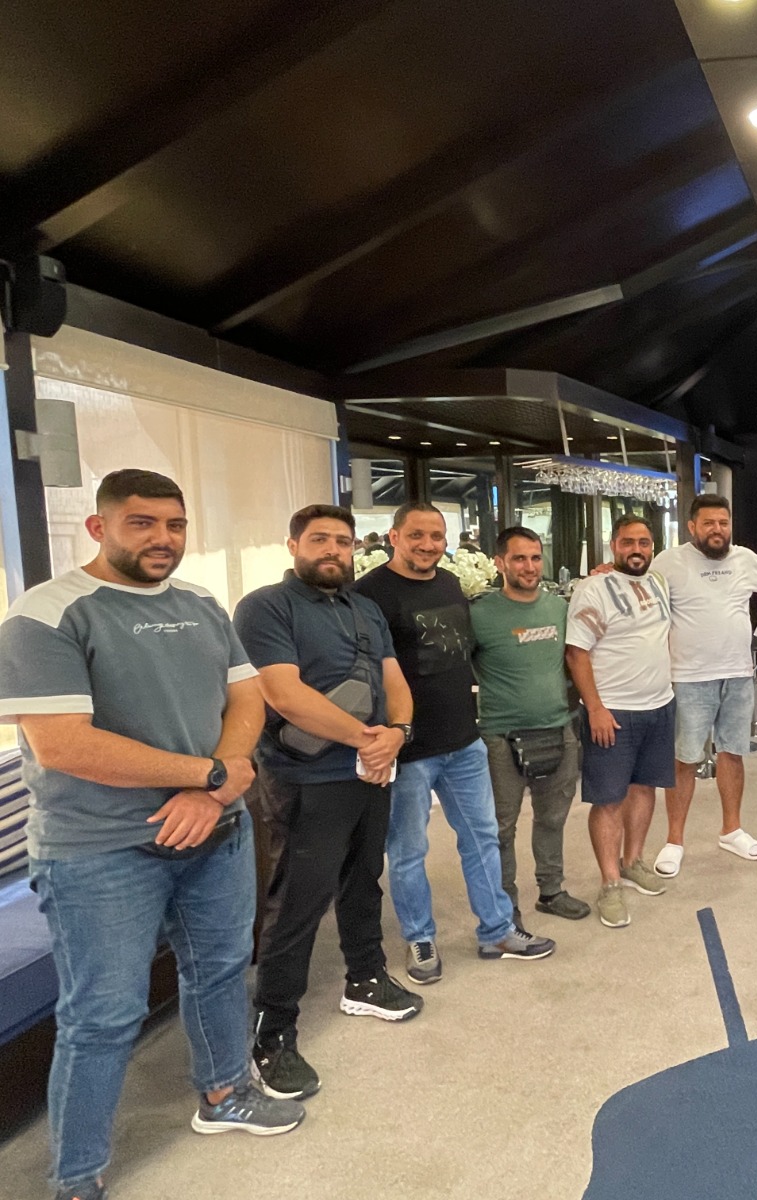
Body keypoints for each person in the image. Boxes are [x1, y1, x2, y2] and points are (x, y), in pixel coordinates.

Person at [0, 469, 303, 1200]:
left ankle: (224, 1093)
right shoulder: (46, 614)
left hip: (216, 832)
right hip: (101, 851)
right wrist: (212, 775)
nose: (163, 538)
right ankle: (76, 1175)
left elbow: (246, 698)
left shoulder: (199, 602)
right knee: (103, 1015)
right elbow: (64, 746)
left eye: (175, 524)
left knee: (222, 968)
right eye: (142, 523)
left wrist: (215, 786)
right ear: (98, 528)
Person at [235, 504, 422, 1103]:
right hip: (306, 777)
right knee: (298, 902)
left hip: (371, 770)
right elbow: (283, 694)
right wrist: (369, 740)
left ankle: (365, 978)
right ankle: (272, 1031)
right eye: (319, 539)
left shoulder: (365, 609)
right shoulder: (266, 607)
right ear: (293, 545)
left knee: (364, 880)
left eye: (342, 541)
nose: (333, 550)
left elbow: (394, 681)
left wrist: (397, 733)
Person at [355, 502, 553, 985]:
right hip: (408, 748)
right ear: (394, 537)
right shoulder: (369, 593)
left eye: (436, 536)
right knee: (408, 850)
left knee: (482, 838)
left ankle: (497, 931)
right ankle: (419, 937)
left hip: (463, 740)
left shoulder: (448, 583)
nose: (428, 545)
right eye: (417, 535)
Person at [650, 493, 757, 877]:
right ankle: (674, 841)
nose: (717, 530)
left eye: (723, 523)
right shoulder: (668, 563)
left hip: (737, 675)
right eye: (709, 523)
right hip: (688, 678)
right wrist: (609, 574)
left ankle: (731, 830)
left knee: (733, 753)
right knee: (684, 759)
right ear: (692, 526)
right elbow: (637, 593)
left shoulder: (745, 559)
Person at [472, 527, 590, 924]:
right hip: (500, 738)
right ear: (500, 562)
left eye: (535, 558)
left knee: (553, 819)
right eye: (519, 558)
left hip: (558, 729)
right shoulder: (479, 614)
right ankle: (504, 906)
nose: (529, 566)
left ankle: (551, 891)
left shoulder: (559, 609)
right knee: (501, 828)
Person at [565, 516, 675, 928]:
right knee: (609, 799)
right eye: (628, 542)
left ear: (653, 547)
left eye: (644, 542)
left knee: (644, 788)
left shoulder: (658, 582)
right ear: (613, 545)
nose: (637, 549)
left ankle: (633, 861)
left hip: (659, 705)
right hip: (613, 711)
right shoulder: (594, 589)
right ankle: (610, 883)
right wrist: (594, 707)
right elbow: (576, 652)